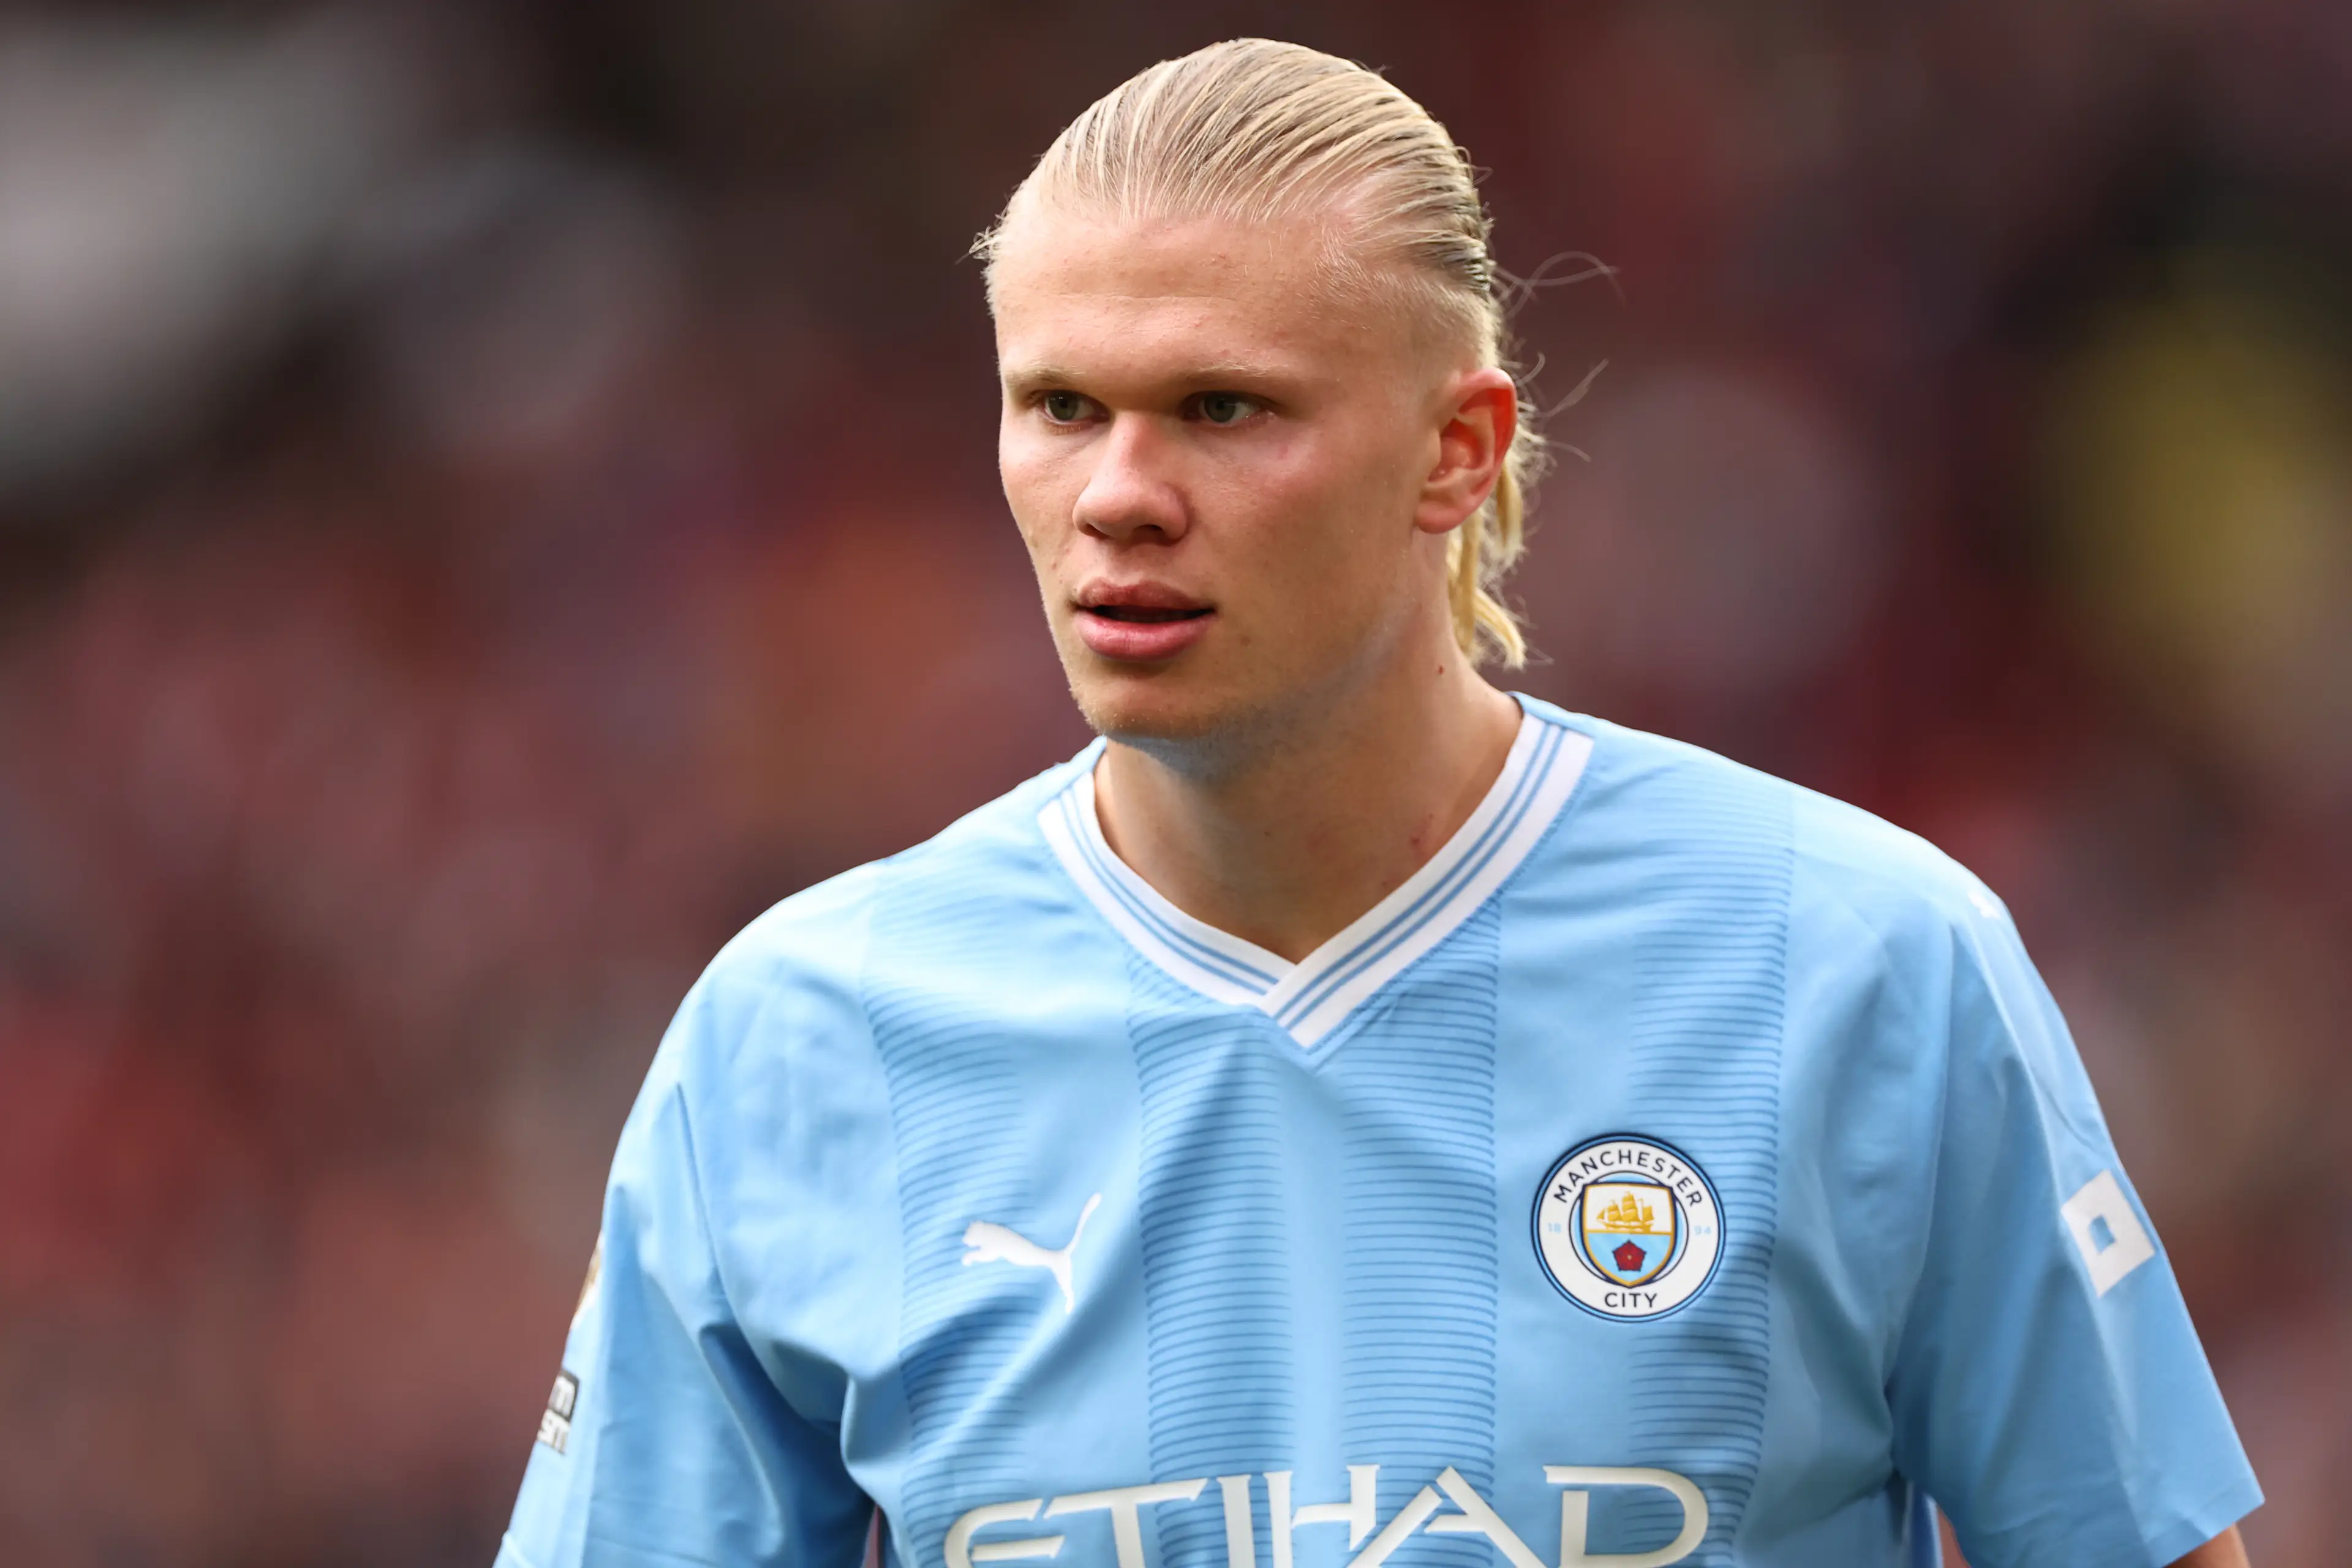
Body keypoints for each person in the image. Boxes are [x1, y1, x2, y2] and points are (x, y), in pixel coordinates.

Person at [495, 39, 2260, 1568]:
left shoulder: (1858, 965)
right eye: (1059, 406)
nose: (1118, 496)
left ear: (1459, 450)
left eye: (1222, 408)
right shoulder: (804, 1042)